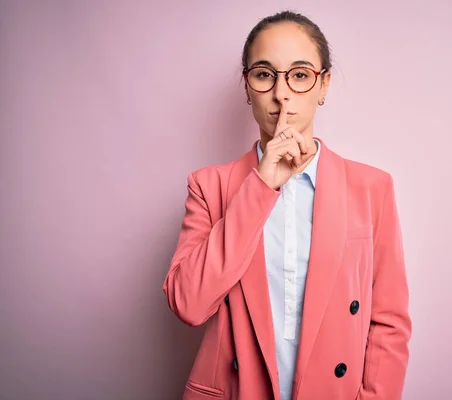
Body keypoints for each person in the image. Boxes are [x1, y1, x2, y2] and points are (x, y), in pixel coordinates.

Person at [163, 10, 411, 400]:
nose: (282, 94)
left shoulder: (371, 188)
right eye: (264, 75)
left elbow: (389, 323)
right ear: (247, 87)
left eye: (299, 75)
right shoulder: (209, 186)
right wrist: (260, 185)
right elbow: (189, 304)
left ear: (323, 84)